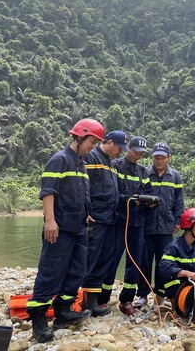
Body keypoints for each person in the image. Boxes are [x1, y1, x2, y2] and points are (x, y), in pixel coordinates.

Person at [26, 118, 104, 343]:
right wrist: (50, 221)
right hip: (59, 229)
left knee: (77, 271)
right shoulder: (59, 160)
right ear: (79, 137)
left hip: (79, 227)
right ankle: (38, 321)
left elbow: (80, 194)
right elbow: (48, 192)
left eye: (96, 142)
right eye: (91, 141)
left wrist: (86, 213)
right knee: (51, 272)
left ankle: (63, 311)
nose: (93, 146)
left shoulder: (81, 163)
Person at [99, 136, 152, 317]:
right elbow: (112, 193)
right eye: (135, 151)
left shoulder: (143, 171)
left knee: (134, 263)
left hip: (138, 223)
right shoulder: (115, 166)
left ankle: (126, 300)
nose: (138, 155)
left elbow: (149, 192)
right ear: (128, 148)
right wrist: (128, 200)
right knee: (111, 260)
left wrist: (149, 202)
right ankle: (102, 298)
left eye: (141, 153)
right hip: (119, 222)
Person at [79, 130, 128, 317]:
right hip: (95, 219)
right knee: (89, 258)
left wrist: (129, 199)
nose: (120, 152)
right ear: (108, 142)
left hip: (110, 220)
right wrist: (87, 212)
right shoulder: (90, 157)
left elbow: (112, 193)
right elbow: (83, 188)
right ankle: (78, 300)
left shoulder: (111, 164)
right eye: (119, 147)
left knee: (103, 260)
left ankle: (93, 302)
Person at [133, 141, 184, 307]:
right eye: (156, 157)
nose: (159, 160)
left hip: (166, 227)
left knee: (164, 263)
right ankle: (142, 294)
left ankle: (160, 295)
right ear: (152, 157)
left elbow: (179, 200)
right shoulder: (144, 173)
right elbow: (138, 197)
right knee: (144, 262)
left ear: (169, 157)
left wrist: (178, 220)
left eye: (162, 157)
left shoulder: (175, 176)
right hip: (146, 226)